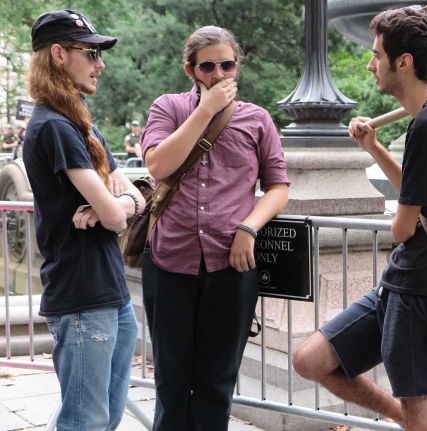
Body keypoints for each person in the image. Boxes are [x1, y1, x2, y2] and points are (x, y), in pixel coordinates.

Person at [292, 5, 427, 431]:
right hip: (401, 285)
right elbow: (422, 199)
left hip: (419, 288)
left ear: (404, 61)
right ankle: (400, 417)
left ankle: (411, 419)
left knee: (420, 412)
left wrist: (404, 221)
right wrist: (375, 149)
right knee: (312, 359)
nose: (371, 63)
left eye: (377, 54)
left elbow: (401, 228)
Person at [140, 25, 289, 430]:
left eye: (227, 64)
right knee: (171, 383)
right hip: (170, 261)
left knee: (216, 383)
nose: (220, 74)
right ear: (191, 70)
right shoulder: (168, 108)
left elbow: (278, 186)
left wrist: (250, 226)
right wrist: (204, 110)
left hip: (231, 265)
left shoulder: (257, 119)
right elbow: (158, 165)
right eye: (209, 66)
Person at [23, 9, 146, 430]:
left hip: (106, 290)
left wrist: (121, 204)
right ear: (58, 54)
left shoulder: (80, 125)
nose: (100, 63)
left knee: (105, 417)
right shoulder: (54, 126)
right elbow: (118, 212)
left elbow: (134, 194)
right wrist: (119, 206)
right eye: (91, 52)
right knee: (84, 421)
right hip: (81, 296)